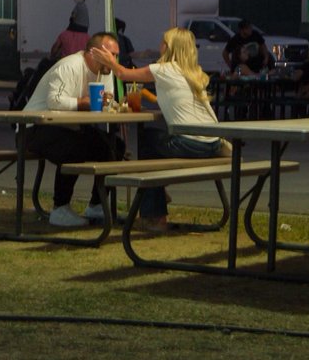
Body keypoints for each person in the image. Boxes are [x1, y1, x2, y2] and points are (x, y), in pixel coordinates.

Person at [93, 28, 223, 232]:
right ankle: (156, 193)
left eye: (163, 42)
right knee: (154, 142)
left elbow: (123, 74)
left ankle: (154, 214)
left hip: (192, 142)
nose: (159, 45)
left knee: (147, 140)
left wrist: (109, 60)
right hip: (213, 142)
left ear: (170, 47)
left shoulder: (163, 69)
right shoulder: (194, 73)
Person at [23, 32, 122, 228]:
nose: (114, 60)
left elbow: (108, 102)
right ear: (94, 52)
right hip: (36, 127)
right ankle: (60, 208)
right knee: (72, 148)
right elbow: (54, 101)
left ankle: (96, 204)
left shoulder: (105, 72)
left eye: (116, 55)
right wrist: (82, 103)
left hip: (70, 128)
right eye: (111, 54)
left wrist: (114, 106)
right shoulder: (70, 66)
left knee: (114, 147)